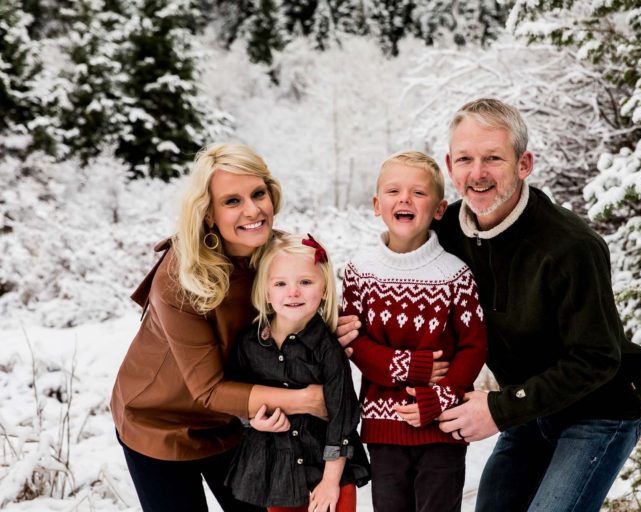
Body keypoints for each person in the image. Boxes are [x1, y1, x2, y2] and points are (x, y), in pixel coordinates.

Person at [430, 98, 641, 512]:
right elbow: (398, 263)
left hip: (599, 409)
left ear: (524, 164)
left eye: (493, 158)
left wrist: (499, 409)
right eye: (465, 159)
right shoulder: (445, 233)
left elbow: (596, 358)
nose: (477, 174)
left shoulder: (570, 247)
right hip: (529, 405)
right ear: (449, 165)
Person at [111, 143, 327, 512]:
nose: (253, 210)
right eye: (232, 201)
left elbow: (310, 312)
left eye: (258, 194)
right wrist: (306, 400)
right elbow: (207, 389)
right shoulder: (182, 276)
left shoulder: (281, 255)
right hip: (159, 423)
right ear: (209, 213)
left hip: (233, 420)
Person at [341, 151, 488, 512]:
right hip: (383, 427)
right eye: (393, 191)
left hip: (443, 425)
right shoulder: (359, 273)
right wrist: (408, 367)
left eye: (418, 193)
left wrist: (442, 396)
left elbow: (474, 346)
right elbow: (354, 343)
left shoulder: (455, 274)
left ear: (439, 209)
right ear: (377, 204)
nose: (405, 199)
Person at [224, 233, 370, 512]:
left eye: (305, 282)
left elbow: (343, 418)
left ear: (325, 288)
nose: (293, 292)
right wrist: (252, 421)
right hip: (276, 473)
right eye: (280, 283)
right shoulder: (249, 344)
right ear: (266, 291)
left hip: (328, 474)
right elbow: (236, 395)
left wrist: (330, 482)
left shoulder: (327, 349)